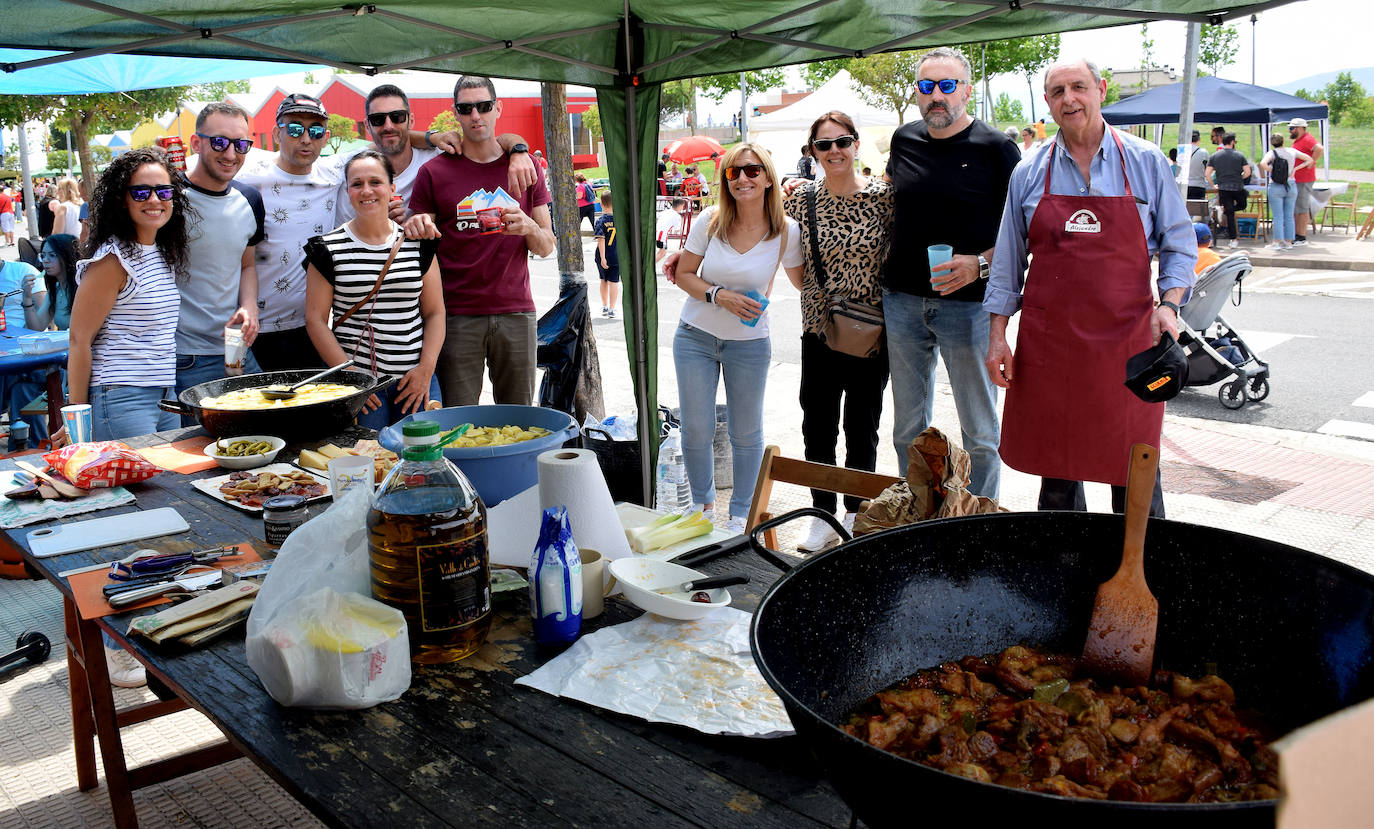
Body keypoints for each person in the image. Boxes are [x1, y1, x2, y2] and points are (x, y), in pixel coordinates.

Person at [984, 57, 1196, 518]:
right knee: (1057, 476)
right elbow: (1007, 264)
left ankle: (1140, 577)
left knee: (1135, 469)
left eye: (1078, 87)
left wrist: (1170, 305)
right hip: (1051, 348)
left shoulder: (1145, 162)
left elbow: (1180, 245)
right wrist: (998, 335)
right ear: (1047, 103)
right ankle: (1061, 575)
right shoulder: (1028, 171)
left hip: (1128, 347)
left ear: (1101, 89)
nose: (1069, 99)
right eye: (1058, 92)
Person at [880, 46, 1019, 497]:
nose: (935, 96)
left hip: (969, 307)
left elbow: (1024, 233)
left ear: (966, 90)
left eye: (946, 85)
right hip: (902, 300)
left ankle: (979, 521)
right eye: (926, 86)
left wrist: (978, 264)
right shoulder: (903, 139)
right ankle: (917, 513)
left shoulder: (997, 149)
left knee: (979, 432)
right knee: (907, 428)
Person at [670, 143, 804, 534]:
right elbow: (684, 275)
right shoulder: (710, 221)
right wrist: (718, 295)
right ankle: (702, 505)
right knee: (696, 428)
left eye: (752, 170)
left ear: (767, 177)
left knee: (746, 433)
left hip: (749, 344)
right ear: (726, 181)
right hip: (695, 335)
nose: (743, 178)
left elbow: (801, 281)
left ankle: (741, 514)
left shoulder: (786, 232)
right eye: (734, 172)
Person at [406, 74, 555, 408]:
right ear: (455, 113)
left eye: (484, 106)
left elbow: (546, 246)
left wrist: (528, 226)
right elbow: (418, 237)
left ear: (497, 108)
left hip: (516, 310)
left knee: (519, 421)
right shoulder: (434, 172)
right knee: (459, 421)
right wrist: (413, 224)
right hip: (456, 315)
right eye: (466, 108)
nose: (476, 115)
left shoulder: (525, 166)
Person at [784, 112, 893, 552]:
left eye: (842, 142)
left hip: (873, 332)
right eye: (824, 145)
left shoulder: (885, 199)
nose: (834, 151)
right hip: (820, 329)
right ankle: (821, 513)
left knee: (862, 425)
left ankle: (854, 512)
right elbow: (749, 214)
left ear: (856, 145)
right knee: (818, 423)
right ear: (812, 152)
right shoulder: (801, 200)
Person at [304, 151, 445, 429]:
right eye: (357, 184)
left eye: (375, 182)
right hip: (360, 387)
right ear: (347, 191)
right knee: (367, 465)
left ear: (392, 188)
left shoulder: (419, 244)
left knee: (423, 463)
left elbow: (435, 312)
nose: (366, 191)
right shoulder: (326, 249)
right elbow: (316, 320)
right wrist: (351, 378)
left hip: (415, 380)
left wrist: (426, 369)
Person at [67, 146, 186, 444]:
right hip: (121, 396)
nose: (155, 200)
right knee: (141, 489)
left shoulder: (161, 251)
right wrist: (75, 420)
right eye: (141, 193)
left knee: (167, 485)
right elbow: (79, 339)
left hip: (164, 392)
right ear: (122, 200)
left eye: (164, 191)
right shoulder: (112, 261)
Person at [233, 93, 338, 372]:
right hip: (255, 329)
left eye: (315, 131)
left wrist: (430, 137)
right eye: (294, 128)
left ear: (325, 137)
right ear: (277, 134)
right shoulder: (245, 181)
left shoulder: (336, 177)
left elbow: (388, 140)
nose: (306, 138)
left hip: (313, 328)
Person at [175, 101, 265, 415]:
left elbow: (247, 264)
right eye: (219, 142)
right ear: (196, 143)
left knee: (260, 439)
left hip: (238, 348)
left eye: (241, 144)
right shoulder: (167, 198)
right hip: (187, 357)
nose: (230, 154)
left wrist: (249, 306)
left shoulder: (250, 199)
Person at [0, 256, 48, 450]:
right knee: (22, 388)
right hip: (11, 354)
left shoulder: (22, 271)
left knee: (17, 375)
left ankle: (28, 448)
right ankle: (30, 448)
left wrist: (27, 298)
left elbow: (40, 323)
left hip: (26, 349)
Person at [1260, 132, 1313, 251]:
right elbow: (1309, 159)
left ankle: (1277, 241)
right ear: (1283, 140)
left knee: (1278, 216)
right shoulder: (1292, 151)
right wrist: (1295, 169)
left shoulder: (1272, 153)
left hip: (1276, 185)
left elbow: (1263, 163)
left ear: (1272, 142)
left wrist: (1272, 171)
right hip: (1291, 183)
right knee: (1289, 215)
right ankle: (1289, 241)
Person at [23, 232, 77, 332]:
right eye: (43, 256)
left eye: (52, 255)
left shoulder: (82, 288)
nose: (45, 260)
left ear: (67, 256)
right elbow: (36, 328)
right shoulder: (56, 289)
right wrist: (27, 298)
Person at [1205, 132, 1251, 249]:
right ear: (1232, 142)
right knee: (1242, 205)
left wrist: (1212, 185)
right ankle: (1226, 212)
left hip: (1223, 188)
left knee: (1230, 214)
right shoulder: (1239, 155)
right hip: (1237, 187)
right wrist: (1239, 177)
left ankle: (1233, 239)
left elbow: (1207, 173)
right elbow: (1247, 172)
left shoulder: (1215, 156)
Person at [1288, 117, 1324, 246]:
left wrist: (1312, 162)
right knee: (1297, 207)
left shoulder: (1307, 139)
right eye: (1290, 128)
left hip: (1304, 179)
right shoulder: (1299, 140)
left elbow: (1319, 148)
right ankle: (1297, 235)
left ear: (1300, 128)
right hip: (1298, 178)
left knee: (1302, 207)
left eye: (1292, 128)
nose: (1290, 131)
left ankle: (1301, 236)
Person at [594, 190, 618, 317]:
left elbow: (601, 240)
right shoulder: (620, 220)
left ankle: (604, 306)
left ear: (602, 204)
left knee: (603, 280)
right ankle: (612, 308)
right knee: (613, 282)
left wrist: (603, 257)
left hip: (603, 255)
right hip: (616, 255)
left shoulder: (600, 220)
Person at [1184, 130, 1209, 200]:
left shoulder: (1183, 151)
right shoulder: (1204, 152)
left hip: (1184, 185)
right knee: (1197, 209)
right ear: (1199, 139)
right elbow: (1207, 169)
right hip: (1199, 185)